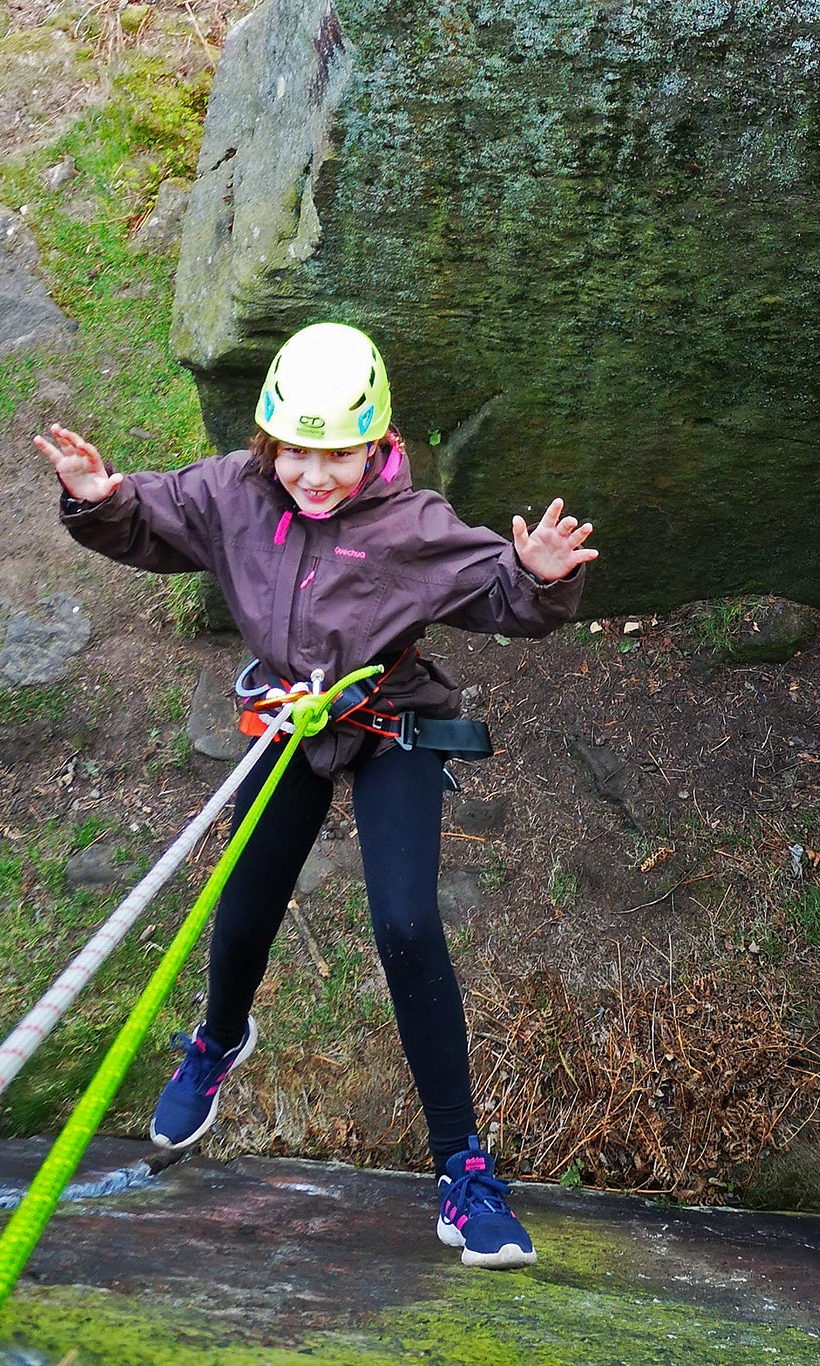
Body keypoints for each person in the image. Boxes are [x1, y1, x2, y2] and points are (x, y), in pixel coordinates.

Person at [36, 322, 597, 1270]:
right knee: (246, 895)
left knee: (408, 925)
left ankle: (463, 1172)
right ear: (270, 441)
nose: (316, 474)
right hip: (291, 718)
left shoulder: (408, 526)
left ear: (374, 444)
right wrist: (96, 501)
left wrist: (536, 580)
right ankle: (217, 1041)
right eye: (298, 450)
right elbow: (147, 518)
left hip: (389, 722)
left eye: (338, 453)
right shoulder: (231, 493)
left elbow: (496, 592)